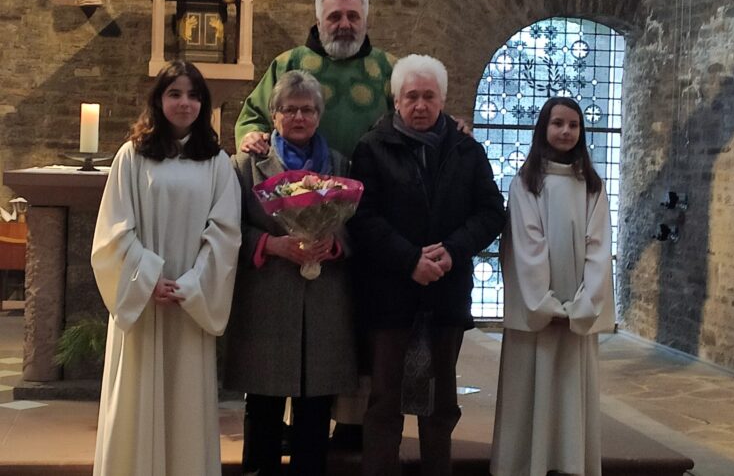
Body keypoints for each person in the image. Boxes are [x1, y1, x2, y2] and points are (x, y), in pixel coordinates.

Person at [348, 54, 507, 476]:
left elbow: (491, 211)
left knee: (440, 404)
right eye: (411, 96)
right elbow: (362, 216)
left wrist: (453, 250)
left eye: (429, 96)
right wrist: (409, 260)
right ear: (396, 100)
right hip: (389, 294)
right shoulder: (372, 148)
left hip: (445, 293)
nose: (420, 105)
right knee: (385, 401)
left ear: (443, 99)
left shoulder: (466, 149)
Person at [90, 60, 242, 476]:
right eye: (174, 93)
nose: (184, 103)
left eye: (193, 95)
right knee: (136, 395)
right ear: (158, 100)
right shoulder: (131, 156)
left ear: (203, 104)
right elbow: (114, 229)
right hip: (144, 303)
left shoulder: (217, 162)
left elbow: (225, 234)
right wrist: (147, 278)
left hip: (188, 305)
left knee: (185, 400)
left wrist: (191, 285)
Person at [224, 70, 358, 476]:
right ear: (274, 115)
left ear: (319, 115)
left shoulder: (339, 163)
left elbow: (358, 227)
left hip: (322, 303)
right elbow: (227, 230)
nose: (299, 117)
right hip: (267, 299)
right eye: (290, 109)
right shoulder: (245, 165)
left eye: (308, 110)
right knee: (263, 405)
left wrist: (333, 243)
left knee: (315, 410)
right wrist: (271, 244)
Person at [489, 97, 615, 476]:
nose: (565, 131)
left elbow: (599, 247)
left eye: (573, 125)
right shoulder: (526, 183)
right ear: (543, 128)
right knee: (530, 388)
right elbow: (527, 246)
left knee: (569, 390)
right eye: (557, 123)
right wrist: (544, 305)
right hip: (538, 313)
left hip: (576, 310)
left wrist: (582, 305)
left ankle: (568, 463)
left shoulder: (592, 186)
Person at [235, 0, 396, 159]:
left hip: (373, 174)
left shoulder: (389, 68)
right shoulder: (288, 63)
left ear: (365, 22)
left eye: (353, 16)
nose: (344, 25)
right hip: (300, 174)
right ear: (318, 23)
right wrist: (252, 135)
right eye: (334, 17)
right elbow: (253, 118)